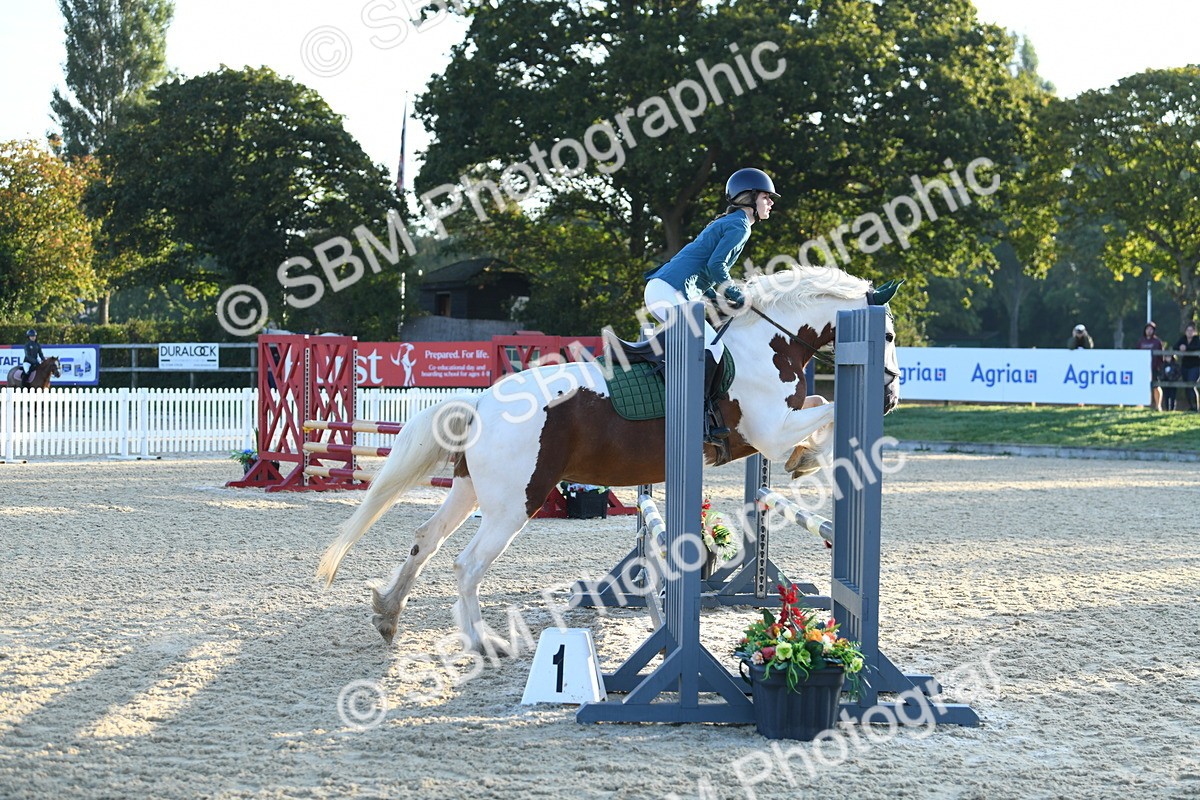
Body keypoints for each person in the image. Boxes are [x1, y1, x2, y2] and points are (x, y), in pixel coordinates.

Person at [643, 167, 777, 441]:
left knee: (710, 341)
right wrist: (738, 297)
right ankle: (697, 415)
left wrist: (726, 296)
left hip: (669, 290)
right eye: (767, 197)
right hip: (669, 291)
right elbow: (717, 267)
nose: (771, 203)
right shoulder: (739, 226)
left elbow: (710, 272)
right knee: (712, 346)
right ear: (749, 198)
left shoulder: (734, 224)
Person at [1136, 321, 1166, 410]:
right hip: (1142, 368)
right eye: (1147, 329)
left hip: (1154, 368)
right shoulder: (1141, 341)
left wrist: (1160, 367)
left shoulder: (1157, 342)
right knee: (1141, 386)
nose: (1149, 331)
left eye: (1151, 329)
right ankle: (1140, 405)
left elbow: (1161, 355)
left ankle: (1158, 405)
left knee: (1156, 386)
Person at [1176, 322, 1200, 412]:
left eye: (1191, 330)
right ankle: (1191, 406)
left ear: (1195, 332)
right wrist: (1180, 347)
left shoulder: (1197, 339)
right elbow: (1175, 346)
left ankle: (1195, 407)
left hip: (1195, 366)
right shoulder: (1183, 339)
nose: (1189, 332)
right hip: (1185, 366)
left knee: (1191, 384)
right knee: (1186, 386)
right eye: (1188, 330)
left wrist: (1186, 348)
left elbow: (1197, 347)